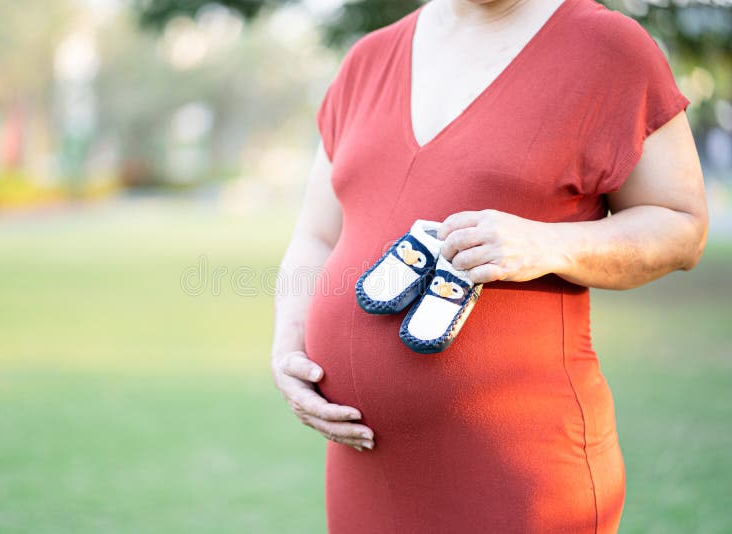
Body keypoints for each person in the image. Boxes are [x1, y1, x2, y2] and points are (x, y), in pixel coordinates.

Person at [270, 0, 709, 531]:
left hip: (518, 475)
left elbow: (682, 227)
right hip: (364, 468)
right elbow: (317, 234)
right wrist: (290, 341)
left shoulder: (606, 48)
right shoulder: (368, 58)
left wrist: (545, 244)